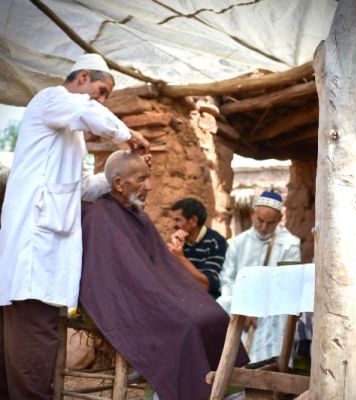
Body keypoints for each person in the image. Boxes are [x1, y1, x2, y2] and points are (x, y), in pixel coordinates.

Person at [0, 53, 149, 399]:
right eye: (100, 91)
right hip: (33, 250)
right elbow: (90, 112)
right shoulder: (52, 99)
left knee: (32, 338)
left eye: (106, 96)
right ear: (82, 77)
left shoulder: (72, 135)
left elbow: (83, 188)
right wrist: (128, 135)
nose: (101, 100)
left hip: (48, 254)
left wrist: (118, 180)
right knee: (35, 339)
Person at [79, 150, 248, 400]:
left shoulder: (139, 217)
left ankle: (225, 392)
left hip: (155, 292)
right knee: (185, 326)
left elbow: (159, 264)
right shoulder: (98, 216)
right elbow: (111, 276)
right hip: (129, 300)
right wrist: (157, 294)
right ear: (118, 183)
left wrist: (167, 288)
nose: (149, 185)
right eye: (140, 179)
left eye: (149, 177)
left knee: (216, 317)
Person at [217, 191, 301, 365]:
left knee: (282, 311)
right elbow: (227, 278)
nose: (263, 227)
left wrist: (258, 307)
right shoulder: (239, 242)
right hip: (240, 301)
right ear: (252, 215)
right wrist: (242, 306)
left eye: (270, 223)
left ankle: (271, 362)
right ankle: (231, 361)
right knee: (222, 302)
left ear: (279, 220)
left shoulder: (290, 244)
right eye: (260, 221)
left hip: (271, 302)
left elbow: (286, 284)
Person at [168, 198, 227, 298]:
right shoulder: (180, 242)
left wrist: (181, 259)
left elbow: (206, 286)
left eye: (177, 220)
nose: (173, 225)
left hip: (207, 303)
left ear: (193, 221)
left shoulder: (215, 242)